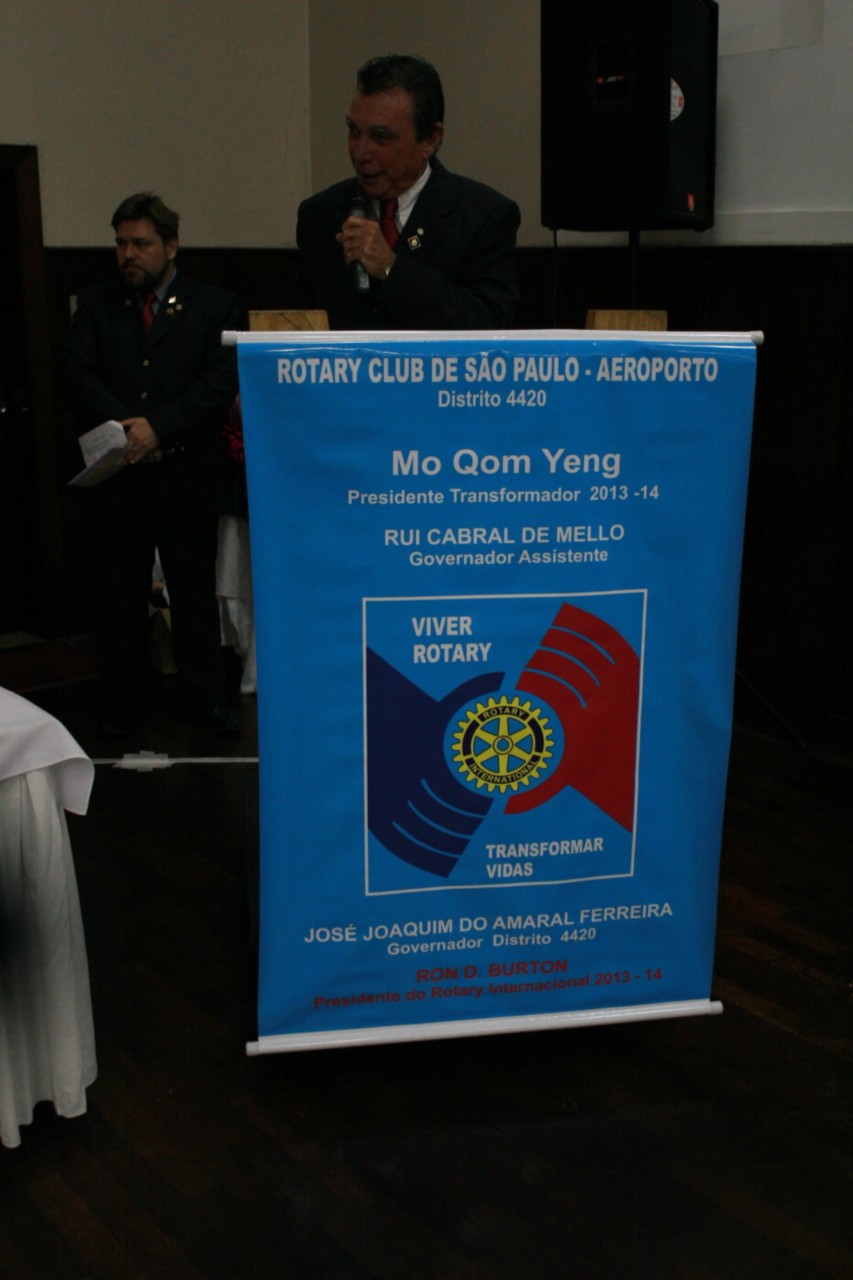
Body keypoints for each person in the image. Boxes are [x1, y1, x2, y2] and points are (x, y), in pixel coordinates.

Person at [65, 193, 242, 735]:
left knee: (192, 598)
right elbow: (78, 375)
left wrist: (159, 428)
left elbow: (217, 385)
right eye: (120, 243)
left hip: (187, 476)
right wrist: (131, 430)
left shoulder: (214, 306)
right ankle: (123, 706)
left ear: (171, 245)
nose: (128, 254)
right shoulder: (96, 305)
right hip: (120, 478)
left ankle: (207, 701)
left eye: (140, 244)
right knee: (120, 599)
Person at [296, 54, 520, 330]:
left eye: (380, 137)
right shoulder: (320, 215)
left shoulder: (482, 215)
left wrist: (392, 269)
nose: (361, 153)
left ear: (430, 140)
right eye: (354, 132)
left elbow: (490, 324)